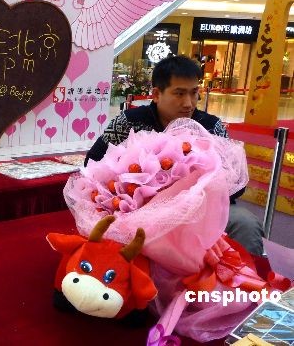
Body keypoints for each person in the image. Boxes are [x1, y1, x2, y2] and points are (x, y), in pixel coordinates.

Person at [86, 55, 264, 255]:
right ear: (156, 94)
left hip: (202, 212)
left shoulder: (210, 127)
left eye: (194, 93)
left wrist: (198, 191)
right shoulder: (129, 123)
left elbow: (236, 185)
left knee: (245, 224)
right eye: (179, 93)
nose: (188, 103)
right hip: (139, 212)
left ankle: (241, 274)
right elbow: (93, 161)